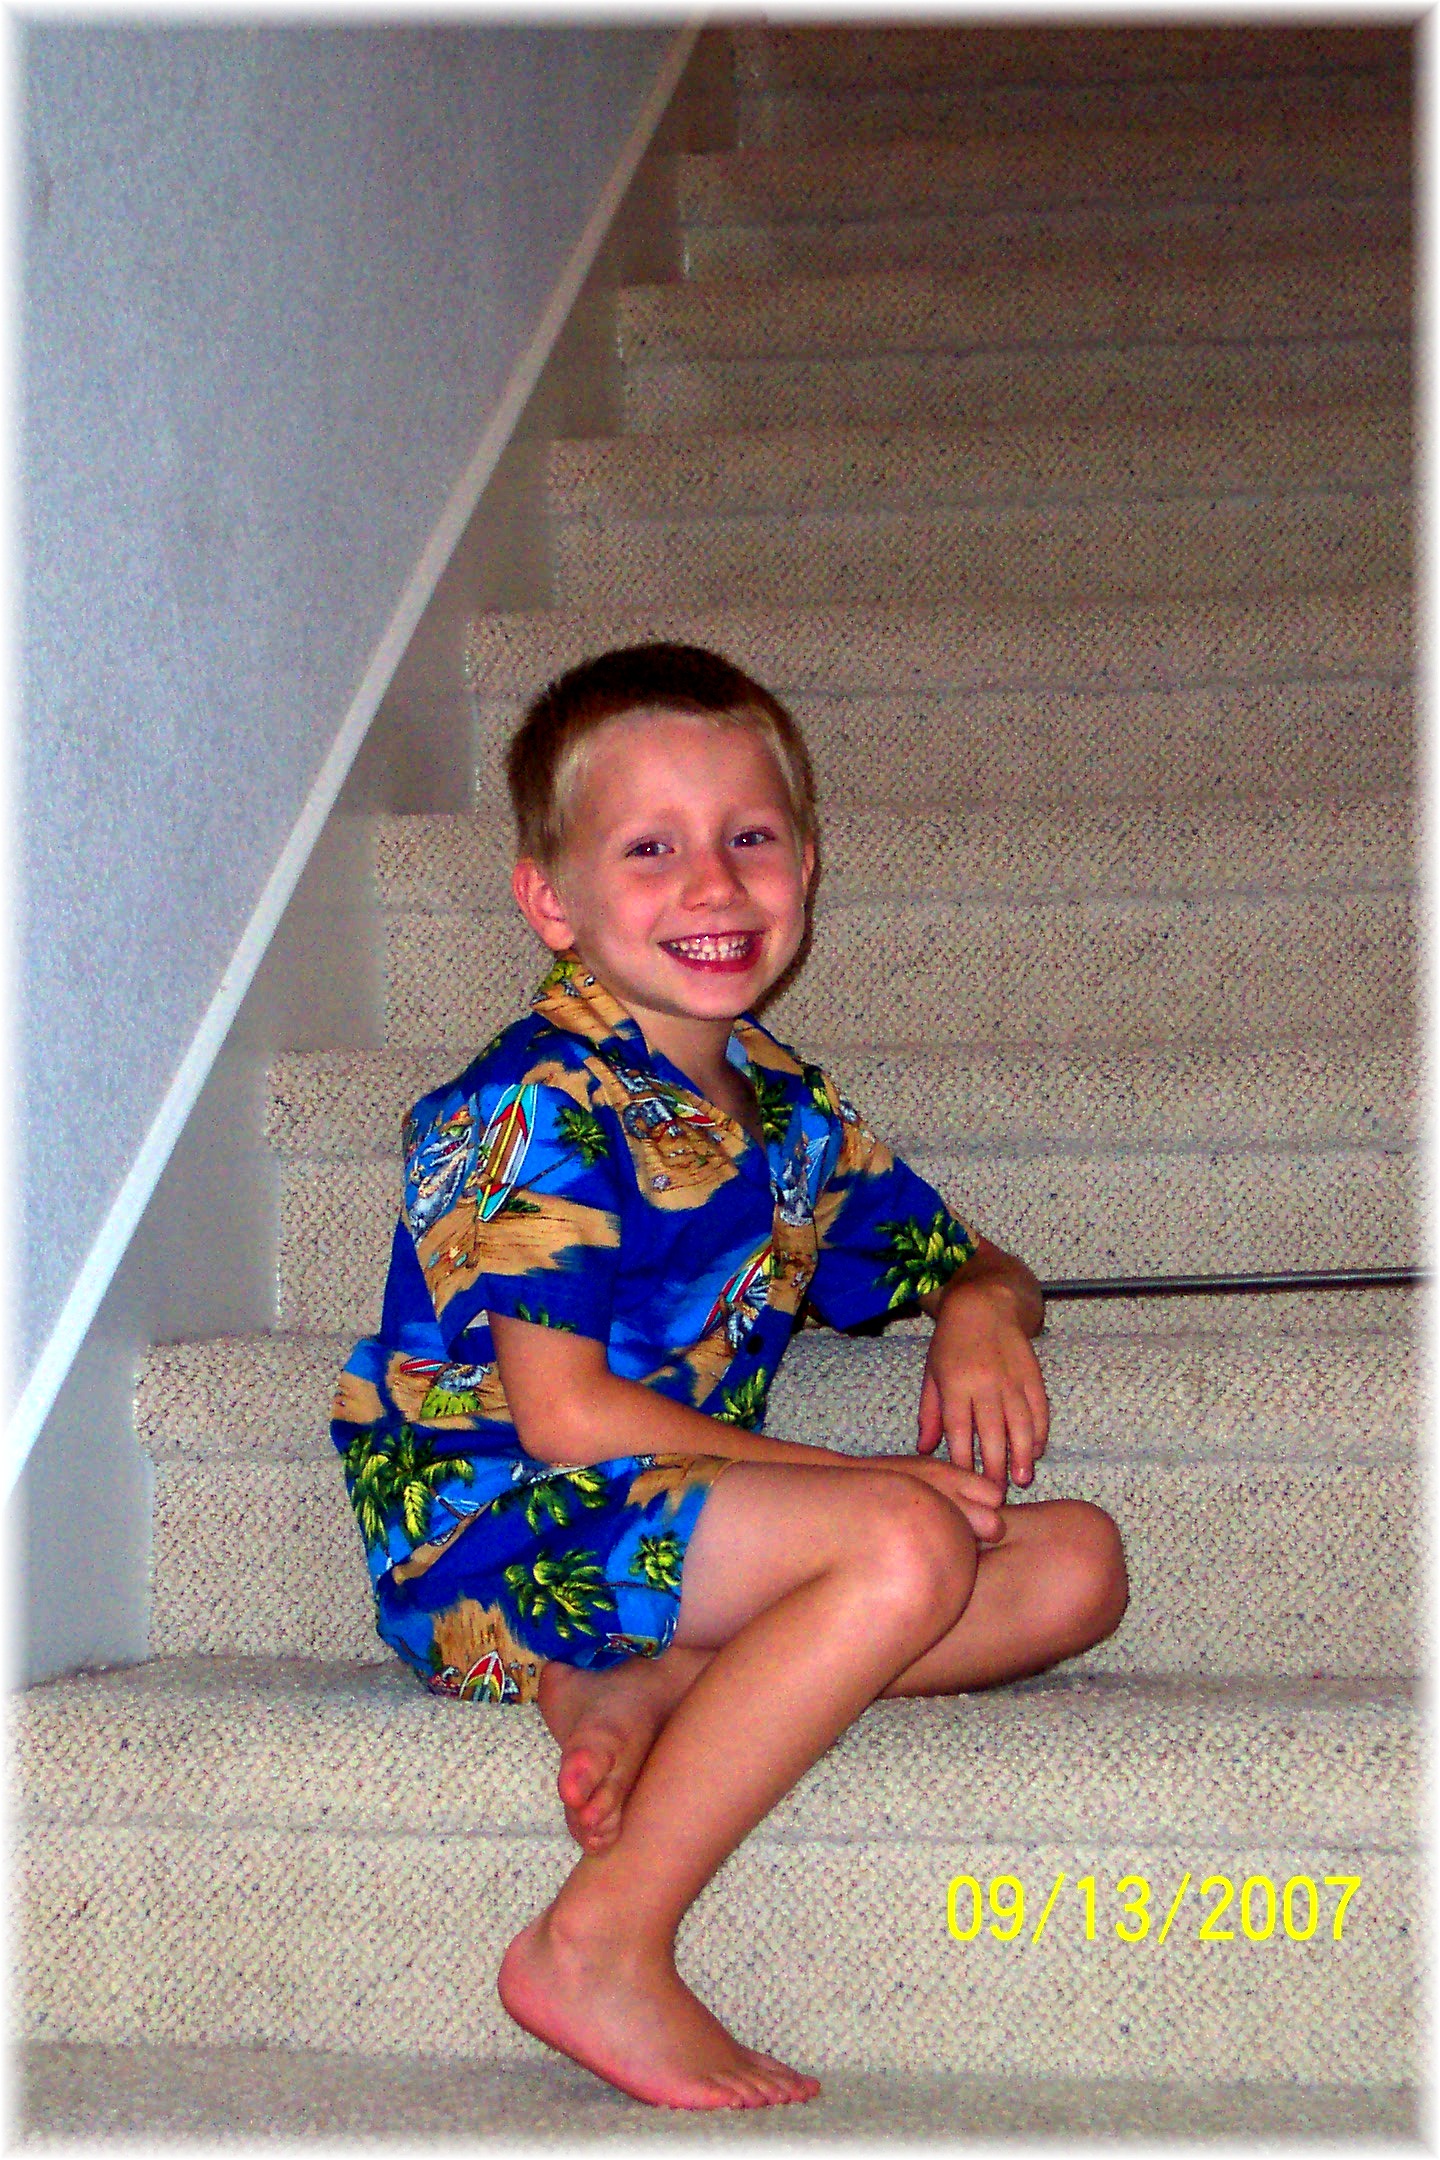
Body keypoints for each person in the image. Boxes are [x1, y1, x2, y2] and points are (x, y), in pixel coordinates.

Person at [331, 641, 1128, 2111]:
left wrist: (978, 1310)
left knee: (1077, 1566)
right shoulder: (529, 1103)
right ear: (551, 901)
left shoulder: (788, 1113)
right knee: (907, 1542)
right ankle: (599, 1941)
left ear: (806, 870)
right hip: (501, 1546)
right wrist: (870, 1483)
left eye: (749, 838)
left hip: (676, 1551)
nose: (713, 884)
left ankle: (660, 1682)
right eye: (652, 849)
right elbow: (564, 1417)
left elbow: (971, 1258)